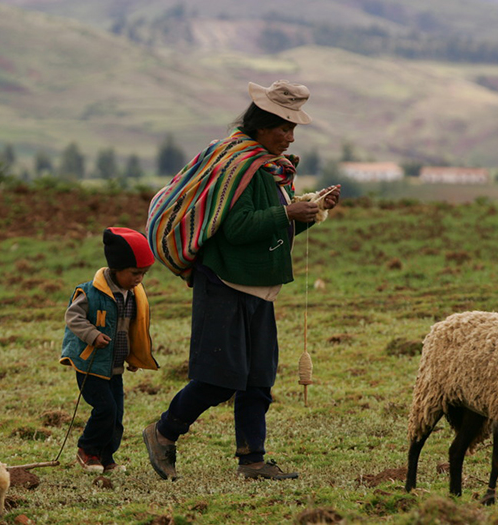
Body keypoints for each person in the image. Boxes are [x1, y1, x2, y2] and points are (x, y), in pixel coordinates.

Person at [143, 80, 341, 481]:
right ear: (261, 125)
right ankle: (163, 433)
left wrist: (309, 212)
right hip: (223, 284)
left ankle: (253, 461)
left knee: (258, 380)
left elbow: (268, 235)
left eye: (293, 130)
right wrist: (288, 214)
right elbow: (234, 229)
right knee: (218, 378)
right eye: (283, 129)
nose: (289, 137)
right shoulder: (240, 166)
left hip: (256, 288)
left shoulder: (267, 169)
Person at [60, 227, 159, 473]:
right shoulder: (90, 293)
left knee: (116, 416)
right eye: (135, 273)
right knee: (105, 409)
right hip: (91, 365)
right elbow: (73, 317)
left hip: (115, 366)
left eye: (144, 274)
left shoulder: (134, 294)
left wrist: (134, 355)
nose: (139, 279)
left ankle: (106, 457)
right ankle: (87, 450)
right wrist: (92, 335)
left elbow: (131, 328)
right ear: (116, 268)